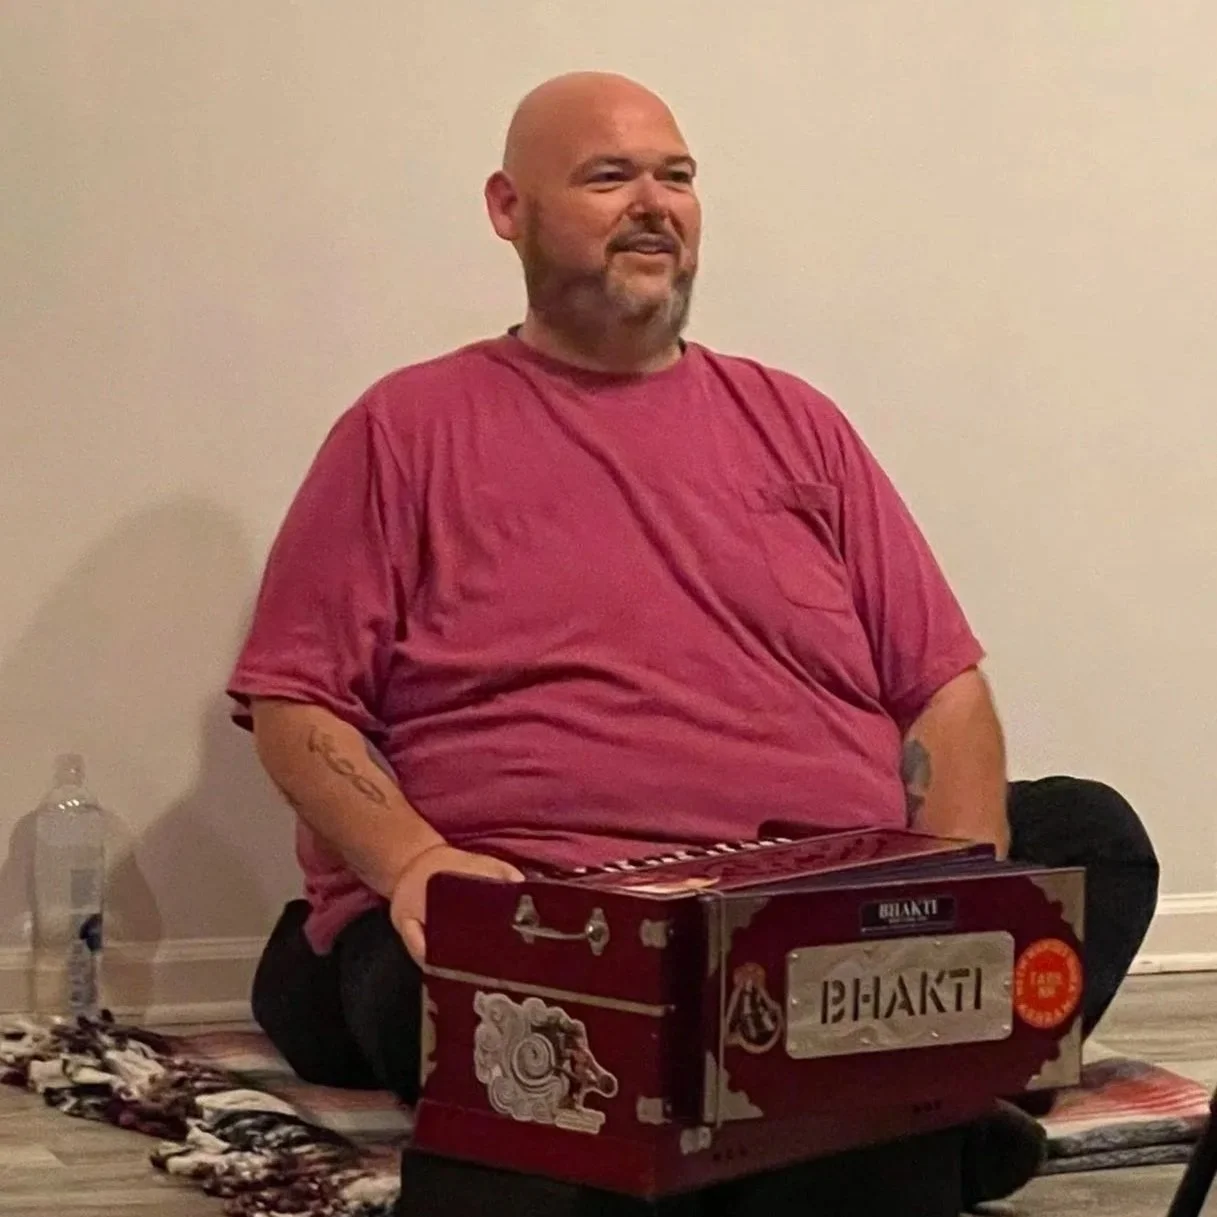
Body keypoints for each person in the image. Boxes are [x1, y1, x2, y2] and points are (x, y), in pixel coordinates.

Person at [228, 71, 1160, 1215]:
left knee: (1091, 837)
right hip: (546, 904)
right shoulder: (405, 428)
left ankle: (855, 1091)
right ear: (506, 208)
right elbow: (296, 704)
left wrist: (945, 894)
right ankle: (902, 1117)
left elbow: (942, 689)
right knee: (517, 1023)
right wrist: (417, 860)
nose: (654, 202)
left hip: (805, 901)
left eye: (675, 175)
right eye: (608, 175)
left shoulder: (795, 421)